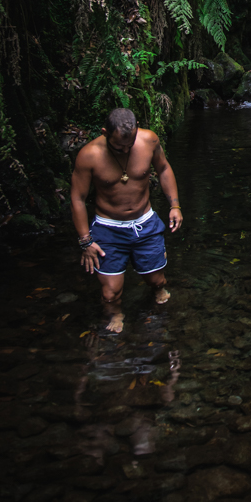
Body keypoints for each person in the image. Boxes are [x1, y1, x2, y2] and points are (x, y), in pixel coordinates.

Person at [70, 107, 183, 333]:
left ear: (137, 127)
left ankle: (158, 290)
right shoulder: (89, 155)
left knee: (156, 280)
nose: (124, 149)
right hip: (108, 228)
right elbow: (78, 198)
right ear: (104, 132)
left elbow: (163, 168)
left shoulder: (149, 140)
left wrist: (175, 205)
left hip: (145, 223)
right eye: (118, 145)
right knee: (110, 293)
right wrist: (85, 241)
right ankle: (115, 314)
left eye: (128, 145)